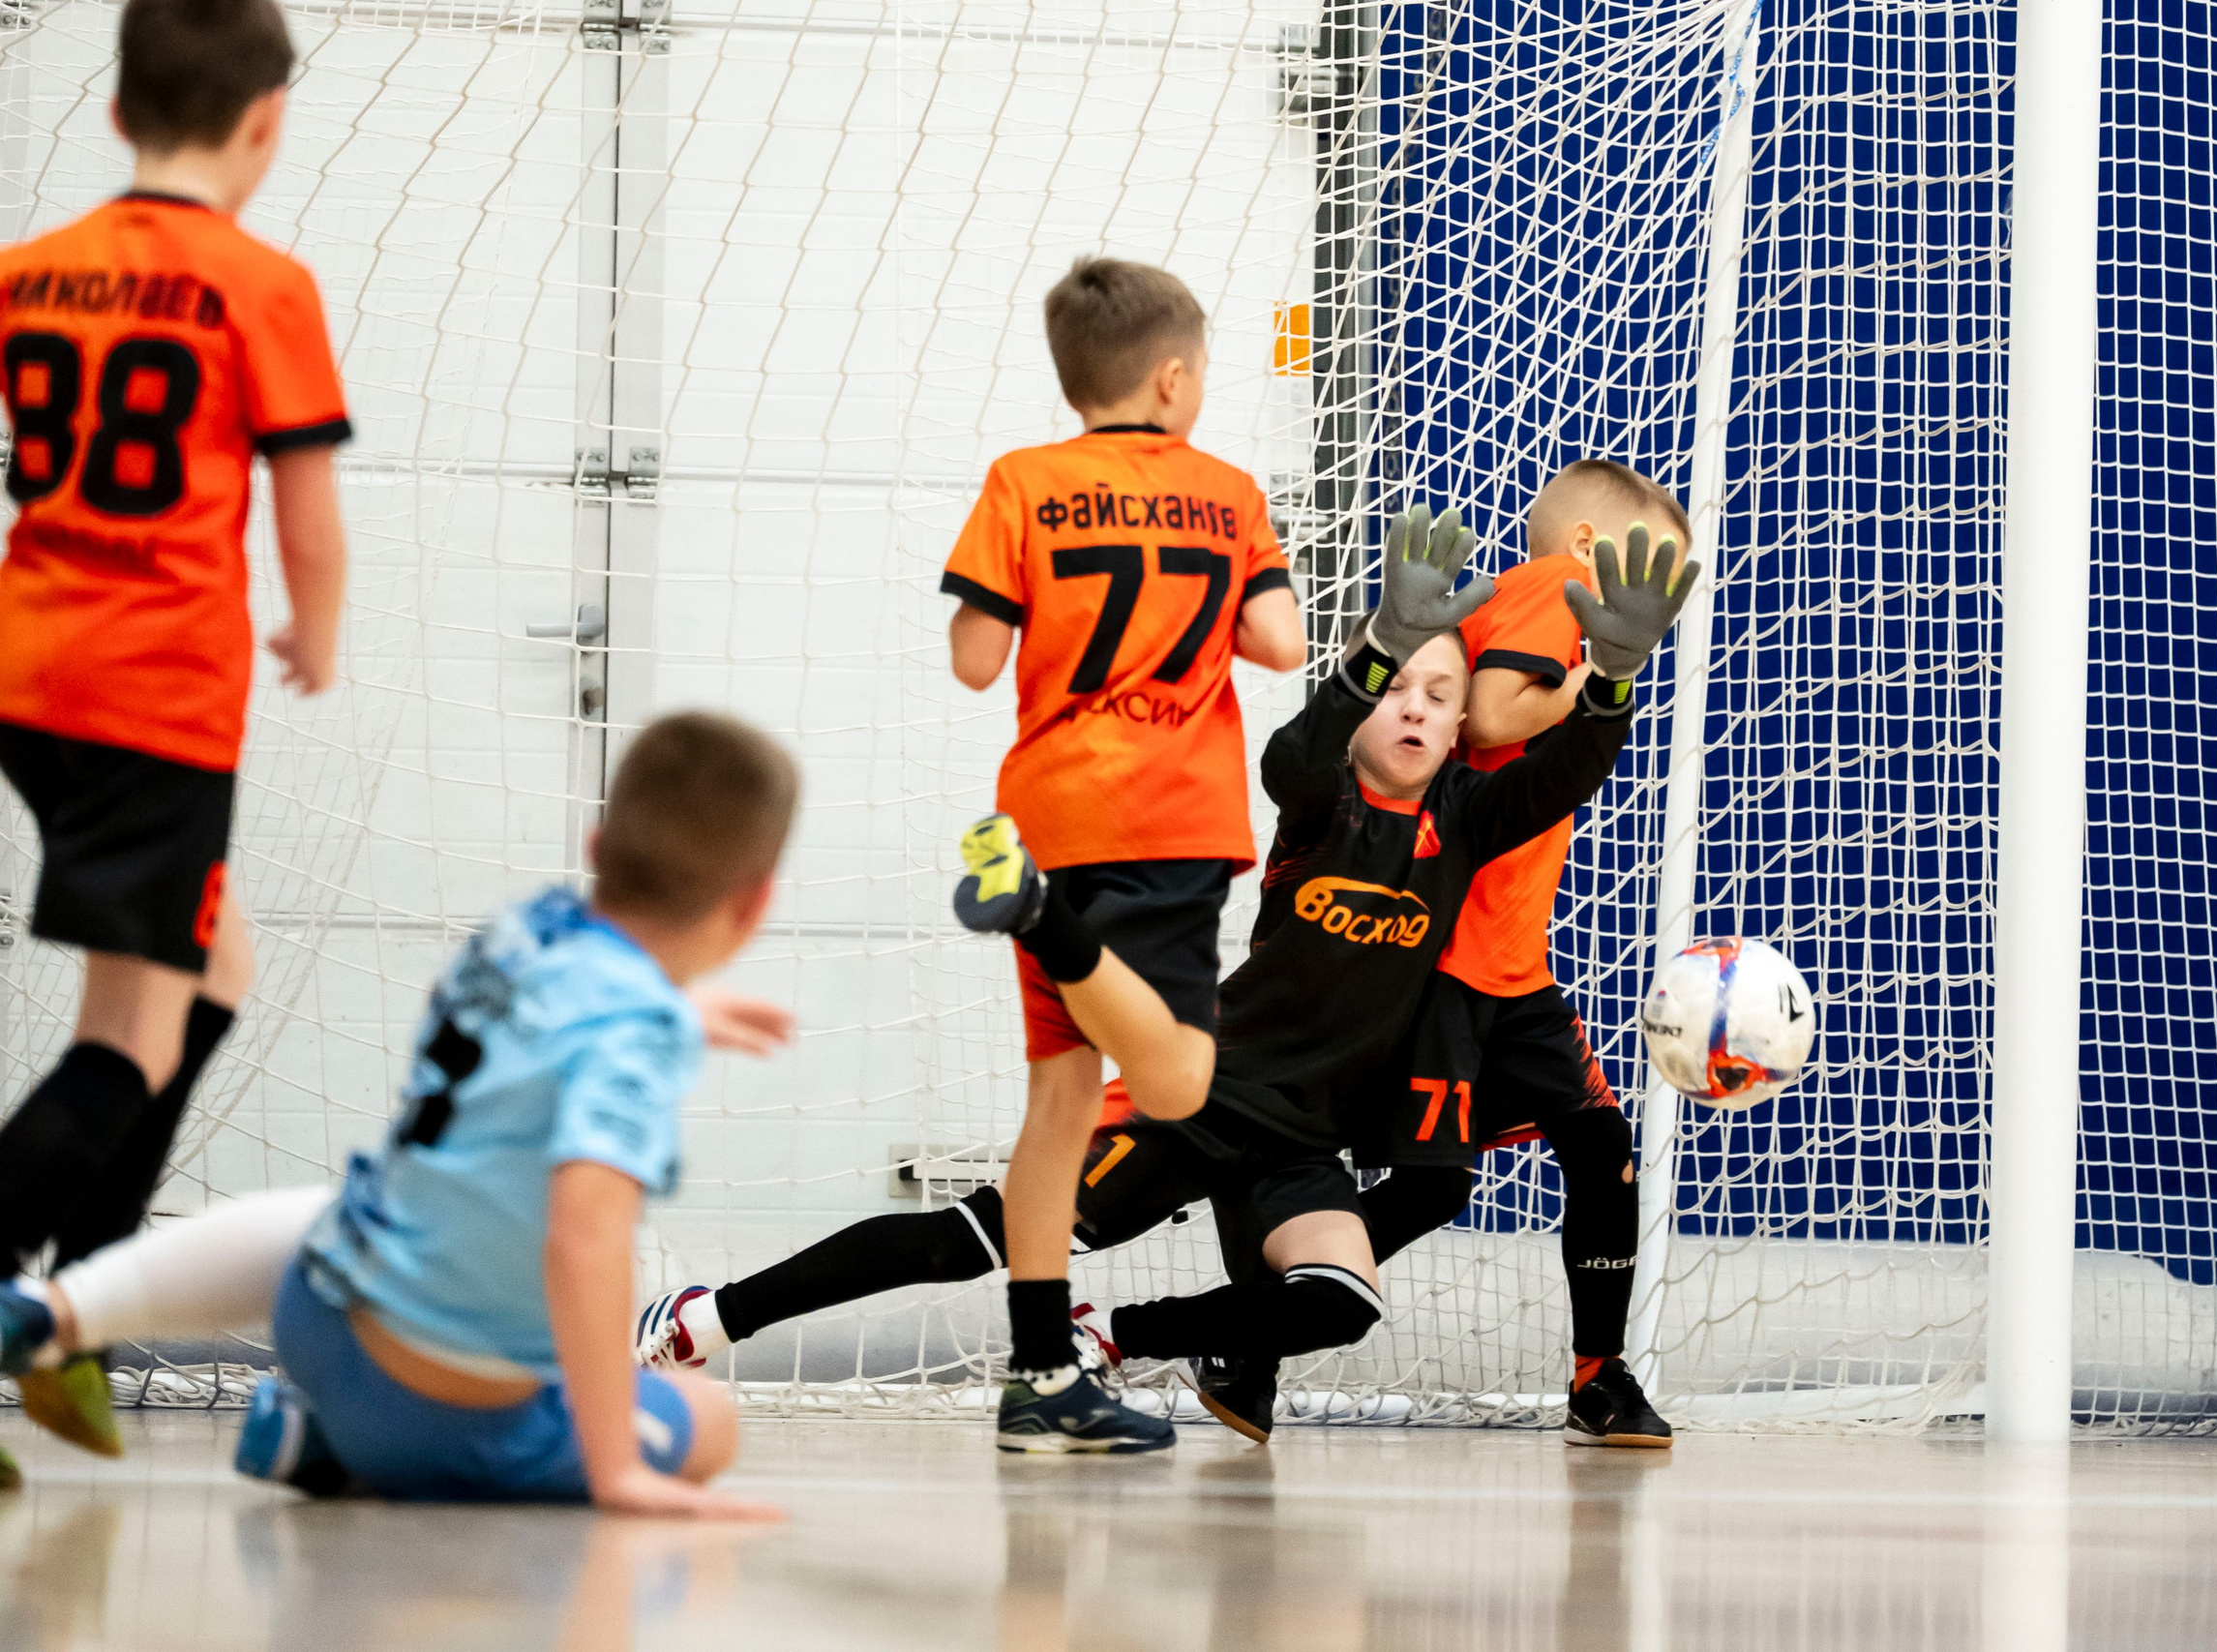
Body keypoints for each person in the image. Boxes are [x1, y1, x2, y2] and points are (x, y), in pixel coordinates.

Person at [636, 512, 1701, 1447]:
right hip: (1192, 1098)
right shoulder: (1322, 803)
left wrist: (1610, 680)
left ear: (1466, 723)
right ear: (1366, 706)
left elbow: (1567, 771)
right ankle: (711, 1314)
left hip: (1298, 1140)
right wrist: (1376, 649)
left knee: (1338, 1299)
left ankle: (1119, 1337)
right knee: (974, 1239)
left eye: (1442, 694)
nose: (1417, 711)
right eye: (1399, 693)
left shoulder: (1465, 823)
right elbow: (1293, 754)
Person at [2, 712, 798, 1514]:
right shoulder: (635, 1038)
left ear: (596, 847)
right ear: (753, 902)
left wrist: (671, 1010)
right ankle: (339, 1447)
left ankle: (53, 1310)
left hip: (315, 1315)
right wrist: (617, 1467)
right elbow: (585, 1236)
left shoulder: (527, 934)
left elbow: (552, 1039)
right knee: (710, 1420)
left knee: (353, 1206)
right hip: (440, 1405)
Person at [0, 0, 352, 1480]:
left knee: (219, 966)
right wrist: (314, 636)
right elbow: (308, 524)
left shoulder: (27, 272)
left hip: (31, 675)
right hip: (153, 699)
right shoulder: (261, 284)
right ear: (266, 122)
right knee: (126, 1041)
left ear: (112, 110)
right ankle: (47, 1312)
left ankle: (77, 1301)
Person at [886, 255, 1305, 1451]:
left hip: (1049, 817)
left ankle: (1040, 1377)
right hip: (1168, 821)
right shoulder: (1227, 494)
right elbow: (1279, 643)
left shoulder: (1023, 481)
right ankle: (1037, 919)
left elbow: (974, 659)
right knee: (1170, 1087)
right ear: (1174, 380)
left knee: (1060, 1108)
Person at [1219, 461, 1694, 1450]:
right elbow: (1486, 716)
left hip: (1513, 963)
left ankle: (1597, 1380)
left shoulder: (1564, 624)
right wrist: (1600, 679)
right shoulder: (1545, 599)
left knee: (1598, 1150)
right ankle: (1246, 1339)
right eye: (1648, 574)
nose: (1655, 608)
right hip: (1445, 961)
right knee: (1435, 1185)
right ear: (1587, 558)